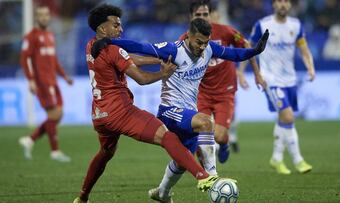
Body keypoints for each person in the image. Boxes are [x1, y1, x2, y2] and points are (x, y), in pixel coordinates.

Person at [91, 15, 269, 203]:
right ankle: (212, 176)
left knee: (183, 160)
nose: (202, 47)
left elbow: (234, 54)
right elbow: (141, 47)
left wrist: (255, 50)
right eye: (198, 42)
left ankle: (162, 192)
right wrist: (108, 41)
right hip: (169, 111)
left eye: (205, 43)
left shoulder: (209, 49)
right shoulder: (173, 50)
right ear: (188, 37)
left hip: (188, 112)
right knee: (206, 122)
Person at [73, 5, 221, 203]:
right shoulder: (113, 49)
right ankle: (203, 177)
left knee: (106, 153)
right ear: (102, 29)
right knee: (166, 136)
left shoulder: (91, 45)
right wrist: (163, 73)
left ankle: (82, 197)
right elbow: (141, 79)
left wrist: (157, 57)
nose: (120, 29)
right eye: (115, 25)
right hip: (121, 112)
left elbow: (128, 58)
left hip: (100, 115)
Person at [179, 0, 267, 164]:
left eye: (205, 14)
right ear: (190, 17)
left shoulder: (225, 31)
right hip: (201, 93)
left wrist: (255, 74)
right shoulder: (184, 39)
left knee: (219, 135)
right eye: (198, 15)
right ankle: (208, 174)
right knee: (201, 136)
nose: (203, 18)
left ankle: (224, 144)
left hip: (224, 92)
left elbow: (246, 47)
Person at [249, 0, 315, 175]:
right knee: (288, 116)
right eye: (279, 1)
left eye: (286, 1)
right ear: (274, 5)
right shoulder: (263, 25)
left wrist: (310, 67)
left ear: (290, 5)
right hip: (270, 78)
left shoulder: (296, 25)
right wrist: (243, 72)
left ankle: (276, 158)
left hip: (290, 80)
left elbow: (304, 48)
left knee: (284, 118)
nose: (283, 4)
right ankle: (298, 160)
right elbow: (249, 48)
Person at [19, 5, 73, 162]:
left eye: (46, 15)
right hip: (42, 82)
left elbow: (53, 60)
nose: (44, 17)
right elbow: (24, 59)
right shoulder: (31, 36)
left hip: (53, 81)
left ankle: (30, 140)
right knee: (54, 114)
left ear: (49, 17)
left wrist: (64, 77)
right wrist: (30, 80)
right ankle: (55, 151)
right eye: (41, 15)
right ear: (37, 17)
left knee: (59, 114)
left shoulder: (49, 35)